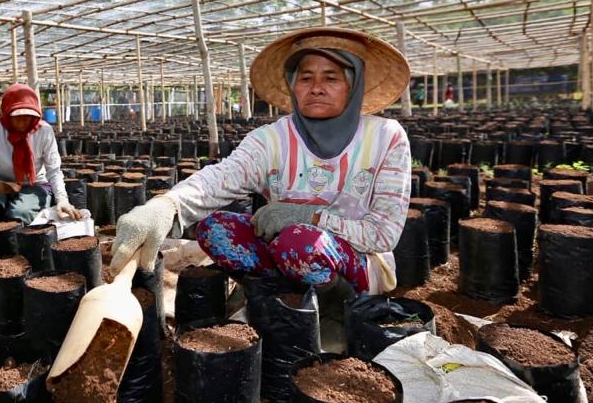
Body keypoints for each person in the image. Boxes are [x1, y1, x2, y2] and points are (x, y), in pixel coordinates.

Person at [110, 27, 412, 296]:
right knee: (215, 229)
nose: (316, 87)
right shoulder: (272, 138)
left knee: (300, 242)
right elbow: (224, 175)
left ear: (354, 84)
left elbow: (383, 234)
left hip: (358, 263)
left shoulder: (386, 137)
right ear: (293, 86)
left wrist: (311, 218)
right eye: (306, 78)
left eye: (331, 78)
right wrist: (168, 205)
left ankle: (334, 306)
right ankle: (280, 294)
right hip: (285, 253)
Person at [0, 83, 80, 224]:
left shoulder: (44, 131)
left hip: (34, 185)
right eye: (17, 115)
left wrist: (62, 199)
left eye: (29, 114)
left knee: (19, 214)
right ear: (6, 113)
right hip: (0, 183)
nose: (23, 119)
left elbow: (54, 170)